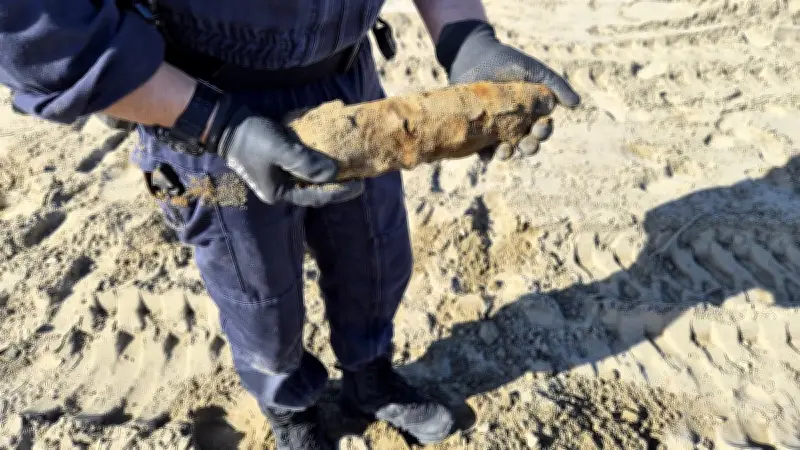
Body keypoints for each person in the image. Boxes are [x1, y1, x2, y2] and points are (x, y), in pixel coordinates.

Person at [0, 0, 580, 448]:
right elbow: (40, 33)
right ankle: (290, 407)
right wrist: (214, 123)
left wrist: (463, 34)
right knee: (259, 296)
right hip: (197, 103)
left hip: (349, 82)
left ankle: (369, 375)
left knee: (375, 254)